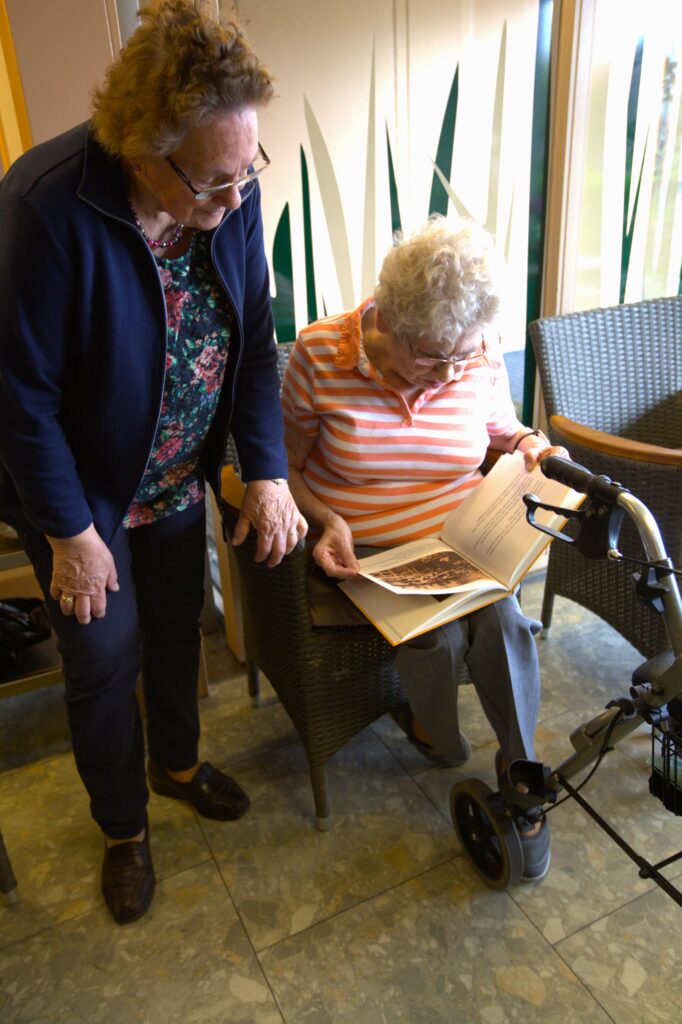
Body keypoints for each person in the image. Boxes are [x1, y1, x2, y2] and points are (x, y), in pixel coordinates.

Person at [0, 0, 306, 924]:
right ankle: (123, 829)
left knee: (179, 626)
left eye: (247, 168)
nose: (237, 199)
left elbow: (254, 341)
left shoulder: (226, 197)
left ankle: (175, 764)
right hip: (80, 493)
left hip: (174, 471)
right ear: (143, 147)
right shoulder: (44, 206)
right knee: (101, 655)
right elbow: (21, 397)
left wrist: (268, 468)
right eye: (215, 181)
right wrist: (69, 532)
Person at [281, 216, 567, 882]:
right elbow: (285, 468)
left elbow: (500, 428)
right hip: (370, 547)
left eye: (462, 356)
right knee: (433, 641)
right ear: (384, 320)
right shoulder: (320, 354)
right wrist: (325, 521)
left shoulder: (473, 351)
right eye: (433, 357)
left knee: (505, 621)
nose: (448, 371)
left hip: (462, 535)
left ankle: (521, 777)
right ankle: (436, 730)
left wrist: (534, 447)